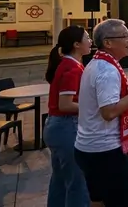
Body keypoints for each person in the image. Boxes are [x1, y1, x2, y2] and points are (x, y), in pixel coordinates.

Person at [75, 19, 128, 207]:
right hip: (105, 152)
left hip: (88, 148)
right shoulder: (107, 70)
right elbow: (108, 112)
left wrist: (127, 90)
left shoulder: (97, 63)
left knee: (98, 200)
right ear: (107, 43)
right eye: (125, 36)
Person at [43, 26, 92, 207]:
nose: (90, 41)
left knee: (60, 180)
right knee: (77, 183)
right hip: (66, 128)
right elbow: (65, 104)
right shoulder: (72, 68)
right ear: (76, 44)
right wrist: (92, 109)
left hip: (57, 128)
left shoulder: (70, 64)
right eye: (87, 37)